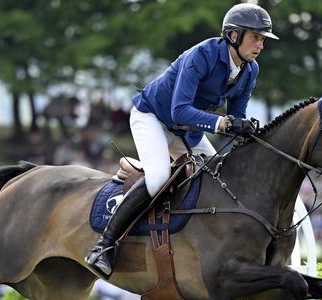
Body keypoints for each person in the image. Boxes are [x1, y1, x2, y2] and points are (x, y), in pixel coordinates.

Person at [85, 3, 278, 278]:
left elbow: (236, 117)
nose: (260, 44)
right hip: (153, 118)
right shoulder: (202, 55)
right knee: (159, 178)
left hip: (187, 132)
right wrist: (222, 123)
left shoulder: (250, 71)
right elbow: (180, 110)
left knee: (218, 177)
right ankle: (104, 246)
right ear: (234, 35)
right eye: (255, 37)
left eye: (263, 39)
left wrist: (246, 130)